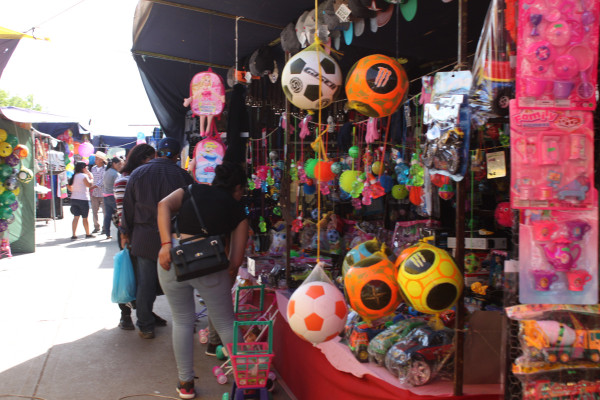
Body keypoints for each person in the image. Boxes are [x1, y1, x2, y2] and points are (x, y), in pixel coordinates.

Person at [157, 161, 248, 400]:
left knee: (182, 322)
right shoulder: (238, 210)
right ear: (237, 187)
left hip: (173, 260)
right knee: (226, 324)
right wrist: (226, 281)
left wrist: (166, 245)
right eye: (242, 191)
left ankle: (186, 383)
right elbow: (235, 260)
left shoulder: (191, 189)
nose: (242, 195)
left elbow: (163, 205)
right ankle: (248, 379)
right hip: (209, 266)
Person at [121, 138, 194, 339]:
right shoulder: (182, 175)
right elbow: (189, 209)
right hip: (174, 238)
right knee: (181, 281)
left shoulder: (137, 173)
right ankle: (186, 323)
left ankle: (145, 325)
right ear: (178, 155)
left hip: (144, 237)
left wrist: (124, 232)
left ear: (157, 153)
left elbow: (128, 206)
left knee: (146, 282)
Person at [113, 144, 156, 330]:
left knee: (143, 277)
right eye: (151, 158)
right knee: (128, 273)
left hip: (139, 233)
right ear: (143, 159)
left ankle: (145, 313)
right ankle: (125, 315)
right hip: (129, 233)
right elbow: (123, 211)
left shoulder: (143, 178)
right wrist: (125, 235)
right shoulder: (124, 180)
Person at [67, 162, 95, 240]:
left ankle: (74, 234)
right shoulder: (84, 176)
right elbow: (89, 185)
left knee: (76, 217)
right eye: (86, 167)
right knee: (85, 218)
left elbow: (69, 187)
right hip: (83, 199)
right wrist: (91, 177)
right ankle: (88, 233)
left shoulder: (74, 176)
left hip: (74, 198)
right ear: (83, 168)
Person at [102, 157, 123, 240]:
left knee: (107, 215)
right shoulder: (115, 174)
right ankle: (121, 232)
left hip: (106, 196)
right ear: (114, 163)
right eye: (119, 164)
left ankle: (107, 233)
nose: (120, 166)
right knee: (119, 215)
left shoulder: (106, 172)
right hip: (113, 196)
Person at [90, 151, 107, 234]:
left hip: (103, 193)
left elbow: (103, 180)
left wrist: (94, 186)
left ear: (101, 160)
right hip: (94, 193)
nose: (95, 160)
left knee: (105, 212)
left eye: (97, 158)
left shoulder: (106, 168)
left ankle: (105, 228)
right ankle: (96, 226)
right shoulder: (93, 168)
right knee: (94, 211)